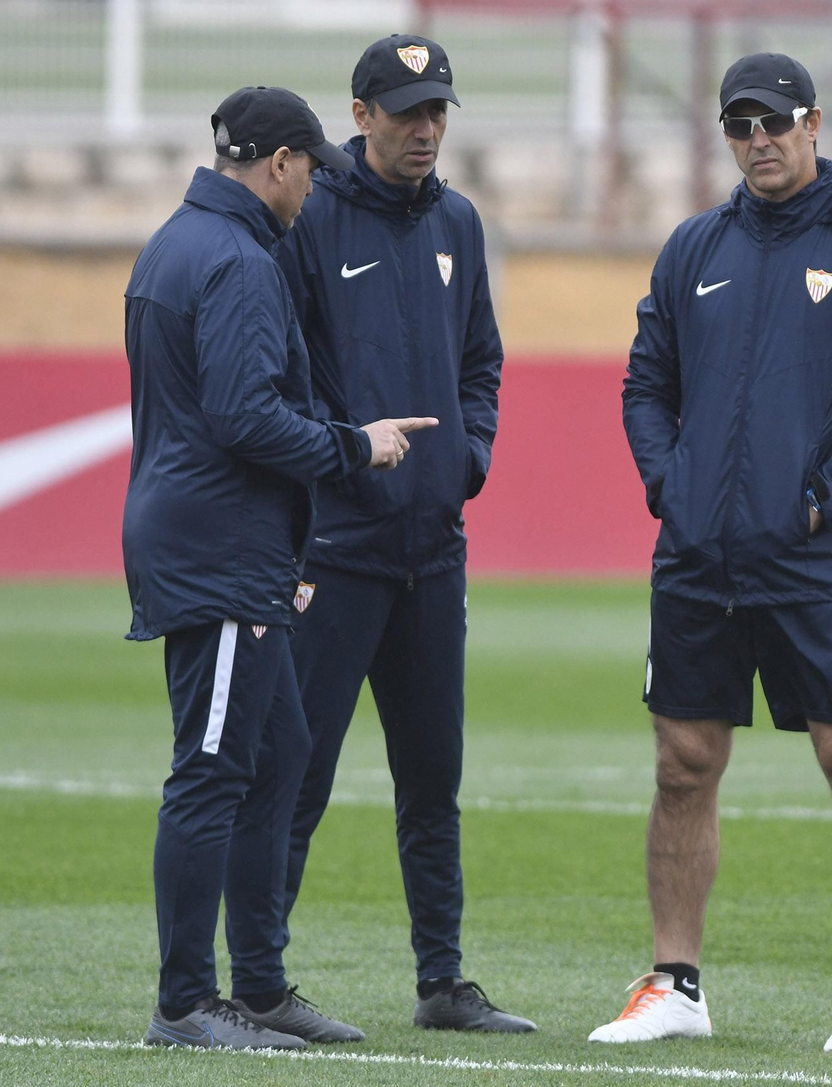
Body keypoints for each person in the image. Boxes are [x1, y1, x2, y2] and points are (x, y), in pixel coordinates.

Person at [593, 53, 832, 1054]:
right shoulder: (692, 247)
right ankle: (675, 982)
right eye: (739, 126)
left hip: (817, 561)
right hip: (698, 559)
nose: (757, 142)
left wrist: (825, 494)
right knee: (682, 762)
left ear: (813, 123)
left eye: (773, 123)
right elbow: (644, 385)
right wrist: (672, 484)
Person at [124, 86, 438, 1050]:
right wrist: (357, 445)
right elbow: (244, 417)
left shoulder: (175, 243)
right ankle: (186, 1000)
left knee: (279, 756)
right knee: (215, 769)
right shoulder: (241, 260)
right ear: (279, 165)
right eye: (310, 172)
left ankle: (258, 986)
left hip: (213, 537)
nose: (313, 192)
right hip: (221, 551)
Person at [268, 35, 534, 1034]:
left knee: (433, 781)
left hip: (434, 549)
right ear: (361, 113)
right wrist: (339, 460)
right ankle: (258, 980)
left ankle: (442, 981)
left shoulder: (459, 224)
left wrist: (467, 457)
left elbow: (481, 362)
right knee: (296, 776)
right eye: (408, 110)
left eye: (438, 111)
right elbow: (282, 375)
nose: (426, 128)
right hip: (334, 553)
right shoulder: (309, 222)